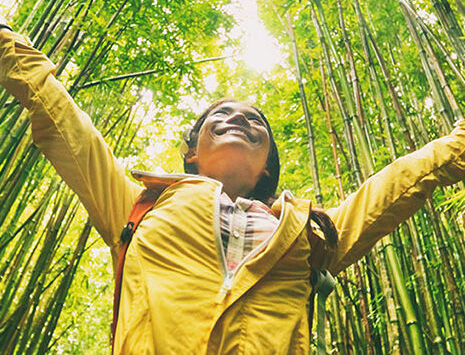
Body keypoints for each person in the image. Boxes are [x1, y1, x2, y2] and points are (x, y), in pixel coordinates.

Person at [1, 23, 465, 354]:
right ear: (192, 154)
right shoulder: (136, 207)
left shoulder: (310, 233)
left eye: (254, 120)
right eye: (218, 117)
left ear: (267, 168)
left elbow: (400, 183)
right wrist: (8, 46)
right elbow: (63, 122)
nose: (239, 118)